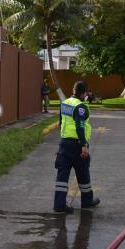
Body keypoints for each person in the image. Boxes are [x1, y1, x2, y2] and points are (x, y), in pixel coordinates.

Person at [53, 81, 100, 214]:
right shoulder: (80, 107)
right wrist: (84, 145)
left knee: (62, 175)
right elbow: (80, 126)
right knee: (83, 172)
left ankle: (59, 205)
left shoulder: (65, 103)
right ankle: (86, 201)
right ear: (83, 93)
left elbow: (61, 122)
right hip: (77, 145)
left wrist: (62, 141)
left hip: (64, 143)